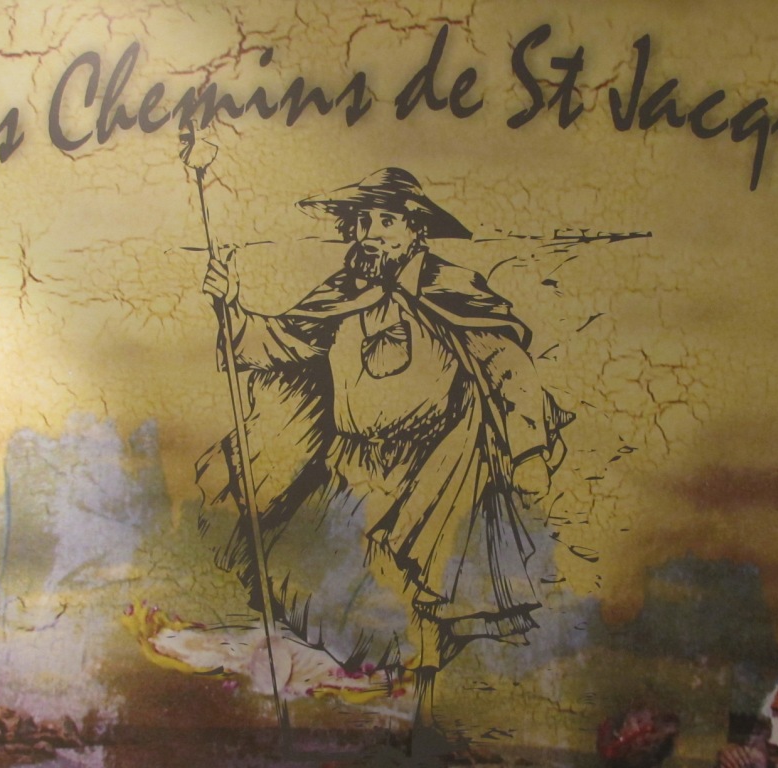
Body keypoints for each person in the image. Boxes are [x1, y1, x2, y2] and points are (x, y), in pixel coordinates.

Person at [196, 168, 572, 739]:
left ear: (416, 230)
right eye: (364, 221)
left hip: (432, 470)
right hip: (349, 471)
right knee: (322, 592)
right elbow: (281, 341)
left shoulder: (452, 287)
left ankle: (418, 723)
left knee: (418, 598)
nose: (371, 233)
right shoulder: (345, 291)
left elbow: (508, 366)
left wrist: (526, 451)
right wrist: (231, 308)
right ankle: (370, 721)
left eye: (387, 221)